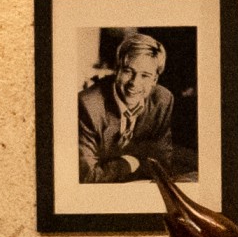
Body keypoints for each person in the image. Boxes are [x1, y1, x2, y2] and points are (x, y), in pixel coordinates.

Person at [77, 26, 189, 187]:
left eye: (145, 75)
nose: (134, 83)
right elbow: (88, 176)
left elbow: (162, 164)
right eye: (128, 71)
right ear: (116, 70)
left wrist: (116, 168)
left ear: (155, 80)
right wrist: (130, 163)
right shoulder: (88, 104)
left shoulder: (163, 99)